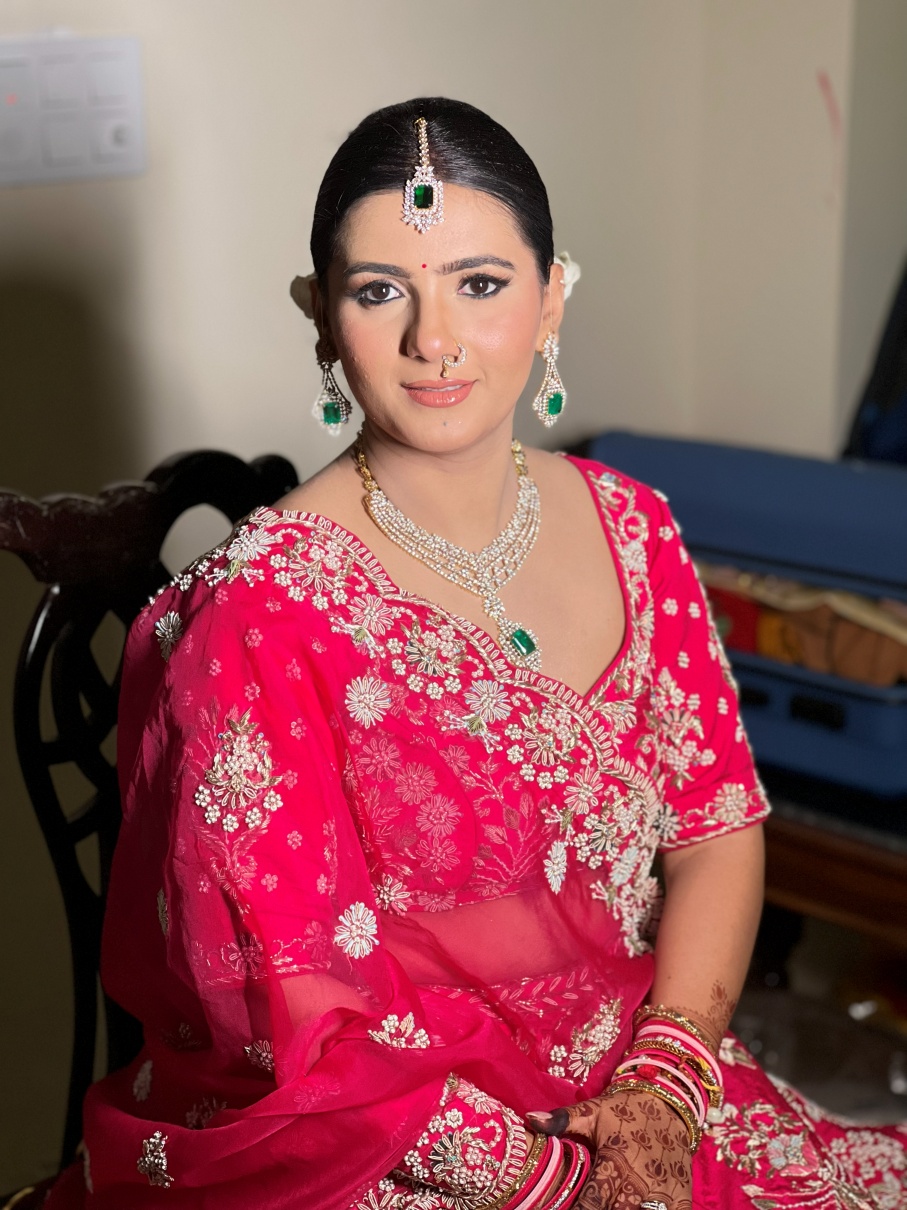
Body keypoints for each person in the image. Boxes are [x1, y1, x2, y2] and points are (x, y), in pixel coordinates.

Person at [44, 97, 906, 1210]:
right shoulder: (259, 611)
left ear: (554, 297)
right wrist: (554, 1178)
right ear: (319, 315)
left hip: (639, 1083)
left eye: (481, 283)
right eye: (379, 291)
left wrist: (665, 1083)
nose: (433, 340)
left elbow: (714, 830)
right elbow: (287, 1019)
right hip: (383, 1139)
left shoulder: (633, 527)